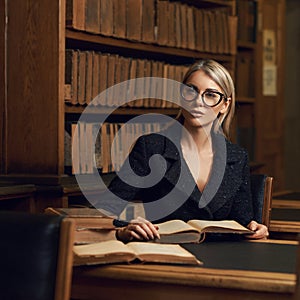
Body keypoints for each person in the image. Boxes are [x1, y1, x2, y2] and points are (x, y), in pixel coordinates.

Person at [104, 59, 269, 242]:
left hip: (220, 258)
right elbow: (107, 208)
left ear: (225, 105)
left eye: (211, 95)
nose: (198, 102)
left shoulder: (237, 157)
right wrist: (124, 229)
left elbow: (243, 222)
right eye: (191, 91)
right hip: (165, 253)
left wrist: (255, 228)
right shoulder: (151, 147)